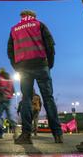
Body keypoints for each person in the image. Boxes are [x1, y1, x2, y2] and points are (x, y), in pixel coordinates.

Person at [8, 9, 63, 144]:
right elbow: (50, 45)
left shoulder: (14, 29)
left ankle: (26, 134)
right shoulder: (39, 25)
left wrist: (17, 67)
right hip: (41, 64)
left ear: (21, 17)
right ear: (33, 16)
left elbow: (10, 52)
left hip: (23, 67)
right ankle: (57, 134)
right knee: (48, 98)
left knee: (26, 99)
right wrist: (49, 64)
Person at [0, 68, 16, 139]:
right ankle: (15, 127)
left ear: (0, 72)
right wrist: (10, 96)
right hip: (8, 99)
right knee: (9, 116)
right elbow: (13, 90)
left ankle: (0, 133)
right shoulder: (10, 80)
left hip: (0, 99)